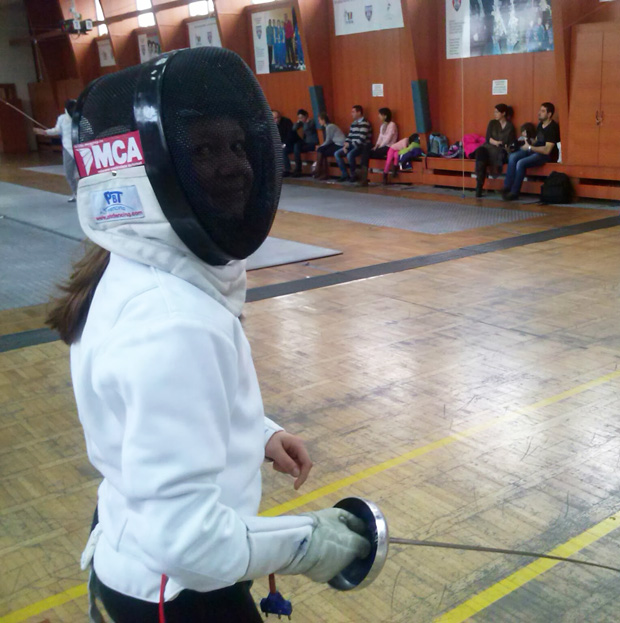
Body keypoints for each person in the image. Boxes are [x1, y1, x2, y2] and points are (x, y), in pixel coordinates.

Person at [47, 47, 369, 623]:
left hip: (130, 555)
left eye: (237, 146)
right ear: (146, 169)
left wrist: (257, 432)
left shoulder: (131, 270)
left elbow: (155, 414)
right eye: (202, 150)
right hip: (177, 594)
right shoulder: (172, 321)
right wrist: (312, 541)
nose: (234, 167)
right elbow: (190, 543)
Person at [503, 102, 560, 201]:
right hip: (534, 149)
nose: (539, 113)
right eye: (540, 110)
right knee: (513, 156)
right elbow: (537, 141)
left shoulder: (552, 128)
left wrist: (529, 147)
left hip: (543, 155)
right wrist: (526, 141)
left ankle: (514, 192)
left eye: (543, 111)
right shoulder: (540, 125)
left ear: (549, 114)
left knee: (521, 163)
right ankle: (507, 187)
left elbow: (547, 150)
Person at [34, 99, 78, 201]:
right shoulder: (62, 118)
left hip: (81, 148)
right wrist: (45, 132)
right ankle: (76, 193)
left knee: (84, 174)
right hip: (68, 149)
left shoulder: (80, 117)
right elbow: (57, 130)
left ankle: (86, 194)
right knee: (69, 174)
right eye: (72, 107)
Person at [473, 103, 516, 197]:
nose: (495, 114)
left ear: (503, 113)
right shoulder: (492, 123)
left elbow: (511, 142)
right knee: (480, 152)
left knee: (495, 155)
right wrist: (496, 142)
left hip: (501, 150)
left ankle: (480, 185)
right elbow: (488, 138)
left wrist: (504, 145)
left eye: (497, 112)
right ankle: (479, 185)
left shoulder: (510, 126)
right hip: (490, 146)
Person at [334, 105, 372, 183]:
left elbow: (361, 139)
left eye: (353, 112)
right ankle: (344, 174)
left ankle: (353, 175)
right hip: (352, 145)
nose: (352, 114)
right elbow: (349, 136)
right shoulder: (353, 123)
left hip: (361, 146)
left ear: (359, 112)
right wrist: (345, 144)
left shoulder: (365, 123)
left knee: (349, 155)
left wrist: (349, 145)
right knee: (337, 153)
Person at [283, 108, 318, 177]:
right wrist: (298, 122)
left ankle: (298, 169)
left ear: (306, 116)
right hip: (305, 142)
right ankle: (295, 169)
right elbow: (293, 128)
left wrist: (305, 122)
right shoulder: (302, 123)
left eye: (302, 117)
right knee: (295, 146)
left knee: (297, 147)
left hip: (312, 142)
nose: (301, 119)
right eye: (299, 118)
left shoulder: (312, 122)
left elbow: (307, 128)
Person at [313, 112, 345, 180]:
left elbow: (328, 140)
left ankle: (319, 169)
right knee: (322, 150)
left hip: (340, 144)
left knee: (321, 150)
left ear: (323, 120)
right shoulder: (328, 126)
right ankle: (321, 171)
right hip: (336, 143)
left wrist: (320, 146)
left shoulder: (330, 127)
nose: (319, 122)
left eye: (320, 120)